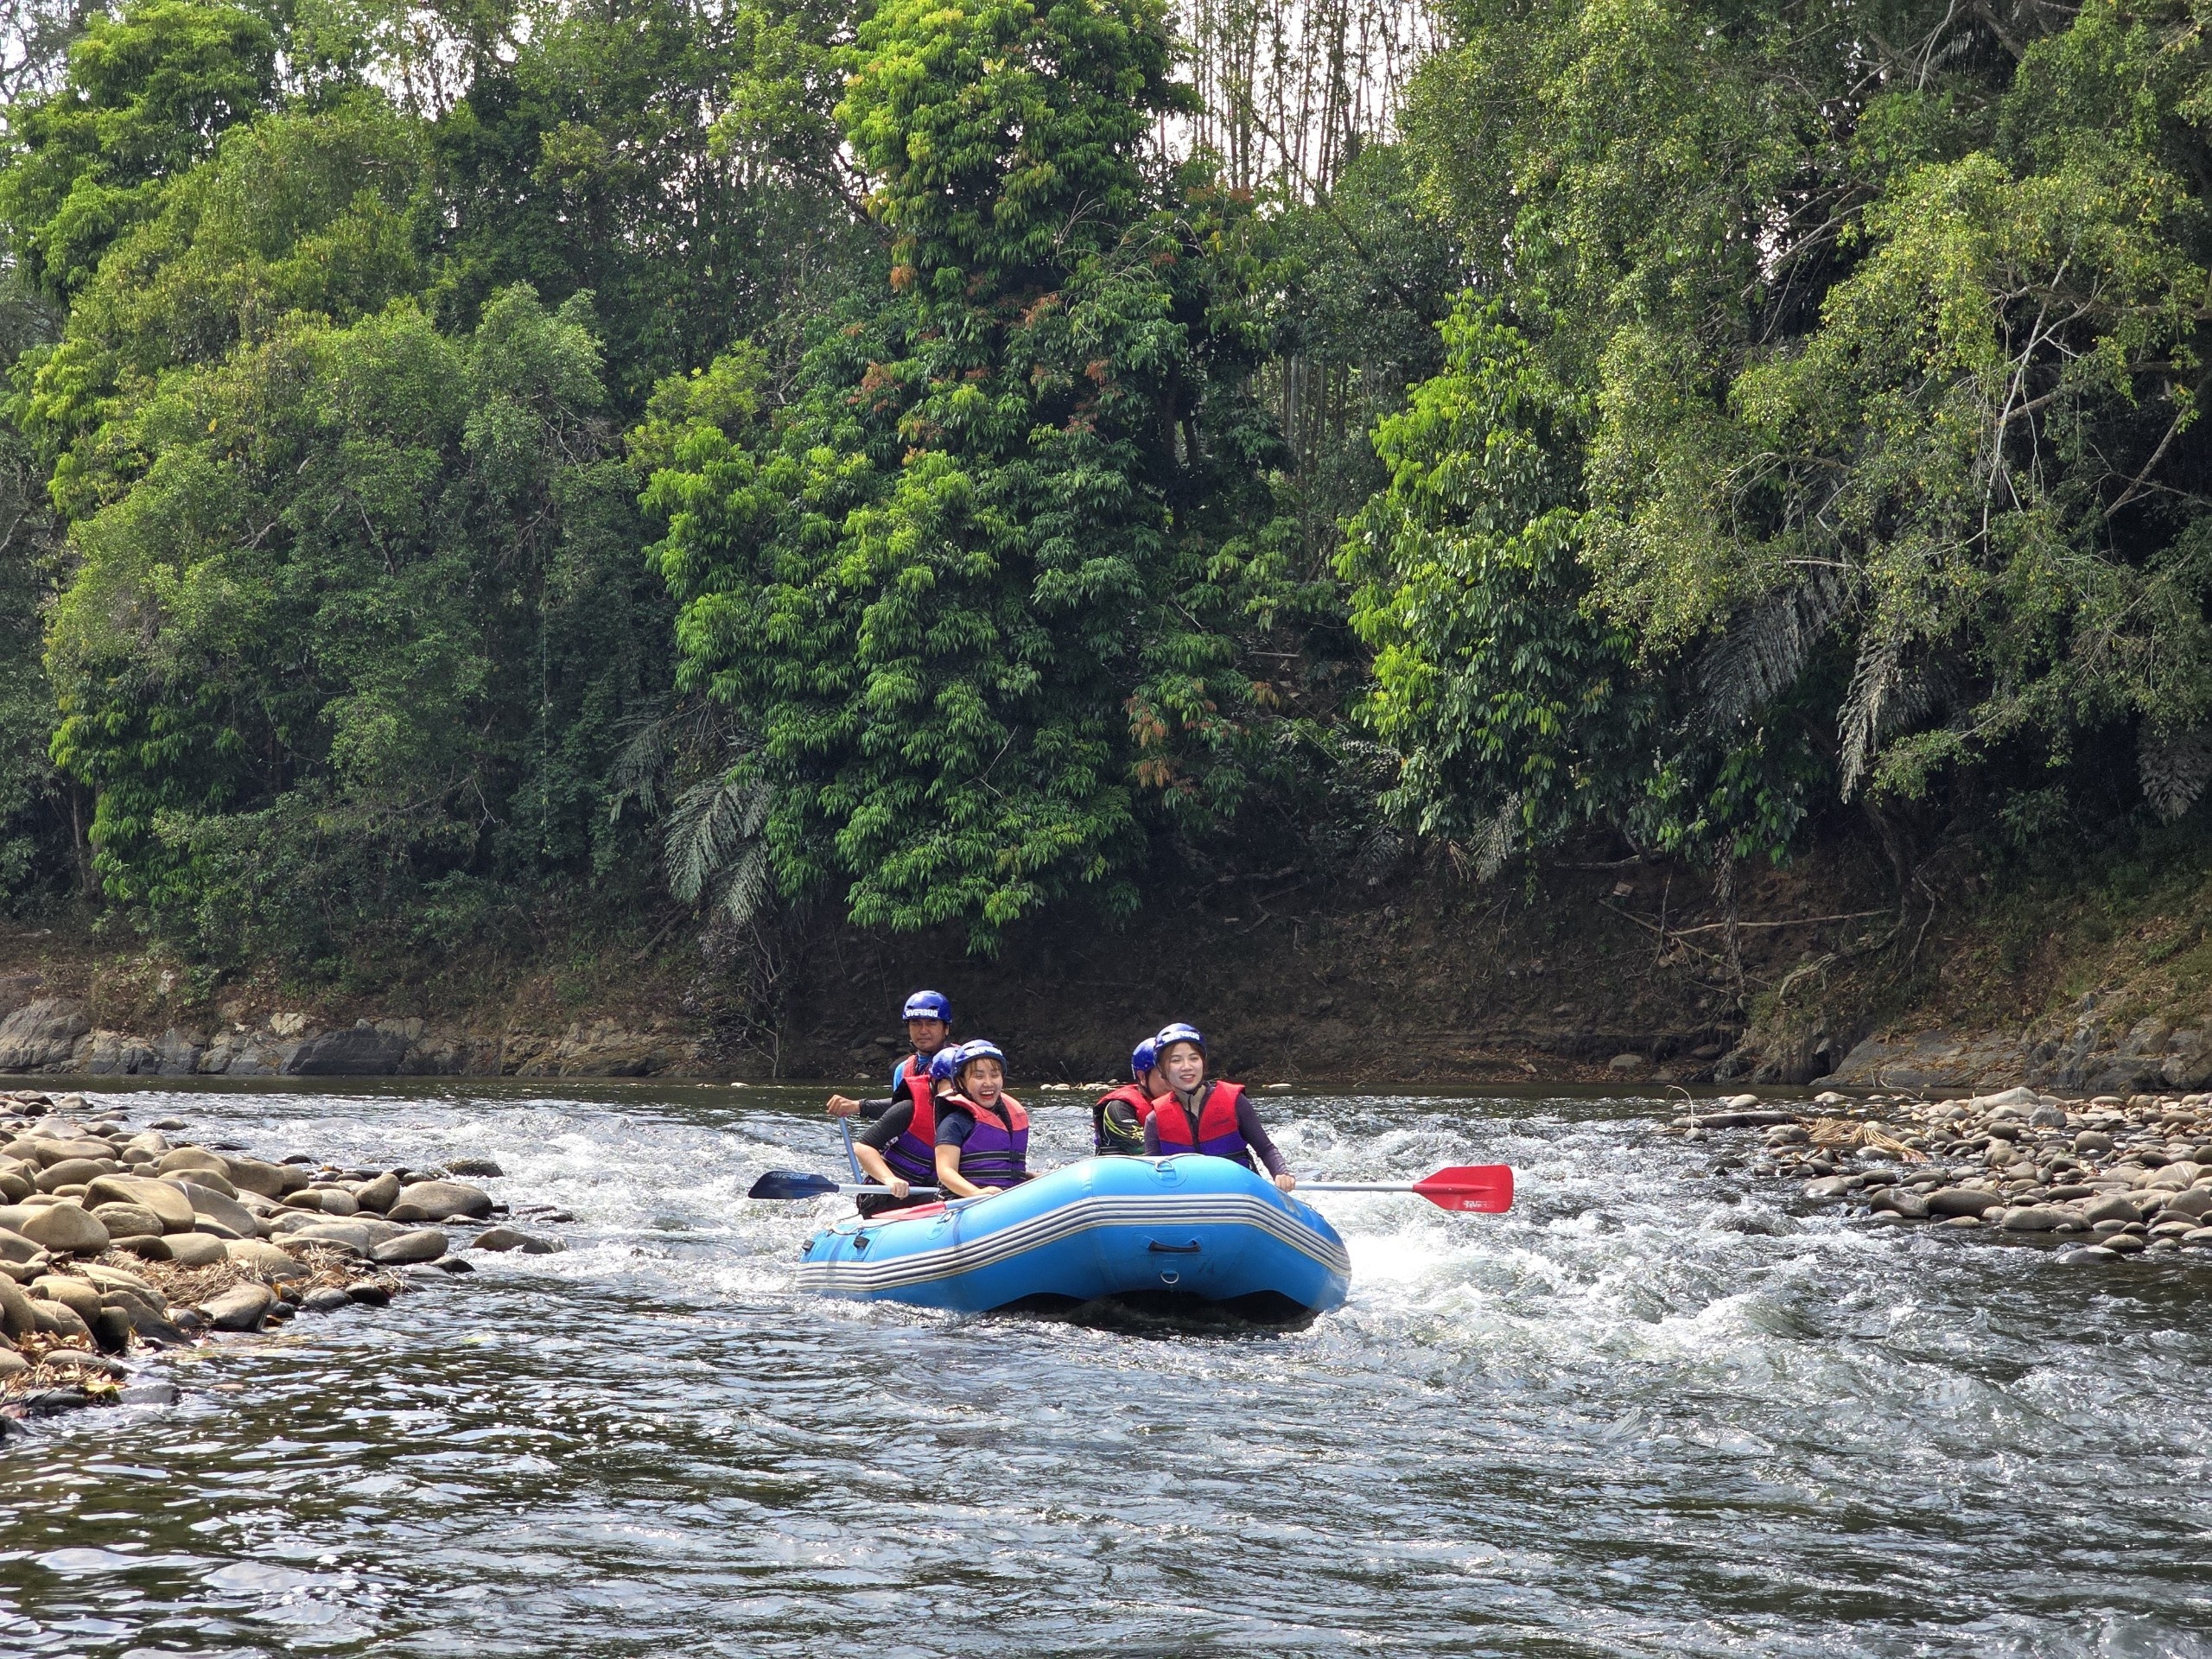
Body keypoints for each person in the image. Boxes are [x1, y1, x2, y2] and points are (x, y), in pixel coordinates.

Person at [1142, 1022, 1297, 1192]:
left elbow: (1266, 1149)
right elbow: (1152, 1173)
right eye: (1176, 1060)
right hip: (1186, 1200)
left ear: (1203, 1063)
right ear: (1162, 1069)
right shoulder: (1154, 1120)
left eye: (1194, 1058)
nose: (1186, 1067)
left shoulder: (1235, 1102)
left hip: (1238, 1195)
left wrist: (1281, 1173)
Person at [849, 1044, 962, 1217]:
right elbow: (863, 1147)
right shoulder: (908, 1109)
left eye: (963, 1083)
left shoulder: (974, 1118)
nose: (958, 1090)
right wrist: (889, 1179)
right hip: (892, 1198)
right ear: (935, 1082)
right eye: (952, 1082)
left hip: (937, 1199)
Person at [825, 989, 952, 1123]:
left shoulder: (960, 1063)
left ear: (946, 1028)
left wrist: (861, 1106)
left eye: (932, 1023)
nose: (923, 1030)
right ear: (908, 1028)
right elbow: (899, 1111)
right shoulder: (902, 1070)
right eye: (916, 1023)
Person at [931, 1040, 1031, 1198]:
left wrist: (1038, 1179)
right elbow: (945, 1171)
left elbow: (1006, 1170)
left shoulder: (1009, 1120)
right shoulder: (953, 1123)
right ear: (961, 1082)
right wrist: (976, 1193)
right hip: (966, 1205)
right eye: (978, 1076)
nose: (988, 1083)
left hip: (1009, 1202)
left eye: (995, 1075)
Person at [1092, 1037, 1161, 1156]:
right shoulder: (1118, 1109)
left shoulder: (1187, 1102)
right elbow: (1144, 1151)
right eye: (1163, 1073)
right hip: (1126, 1171)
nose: (1173, 1079)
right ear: (1143, 1077)